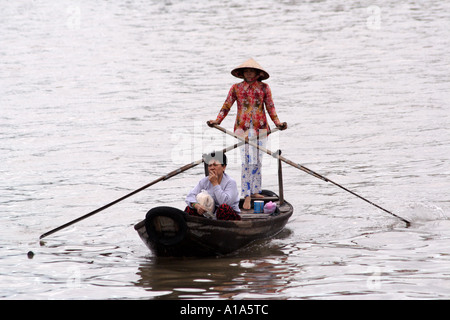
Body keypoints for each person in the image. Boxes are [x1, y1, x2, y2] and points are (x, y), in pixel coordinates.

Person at [208, 58, 287, 210]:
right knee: (246, 161)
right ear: (242, 73)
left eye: (252, 71)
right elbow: (226, 106)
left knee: (258, 160)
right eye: (246, 71)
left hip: (261, 128)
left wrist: (278, 124)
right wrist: (217, 121)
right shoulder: (236, 88)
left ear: (257, 73)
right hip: (242, 128)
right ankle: (247, 195)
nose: (249, 74)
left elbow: (270, 107)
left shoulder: (264, 88)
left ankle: (256, 190)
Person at [184, 152, 241, 220]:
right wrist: (197, 205)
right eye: (209, 165)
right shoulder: (204, 181)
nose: (212, 168)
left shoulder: (231, 182)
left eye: (215, 165)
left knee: (223, 208)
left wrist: (215, 184)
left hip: (228, 216)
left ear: (223, 167)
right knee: (189, 209)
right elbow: (190, 196)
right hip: (210, 215)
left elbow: (225, 203)